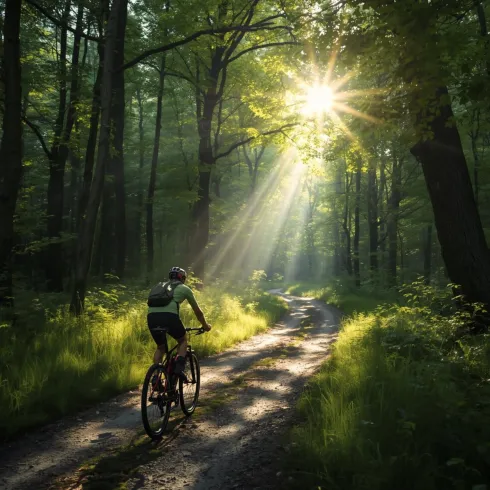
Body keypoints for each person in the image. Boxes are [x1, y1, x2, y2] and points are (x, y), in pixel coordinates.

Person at [147, 267, 211, 376]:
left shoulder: (160, 287)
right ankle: (179, 368)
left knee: (160, 347)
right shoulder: (184, 288)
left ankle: (155, 378)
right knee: (182, 340)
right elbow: (198, 312)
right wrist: (205, 325)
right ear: (182, 278)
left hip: (152, 317)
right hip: (169, 317)